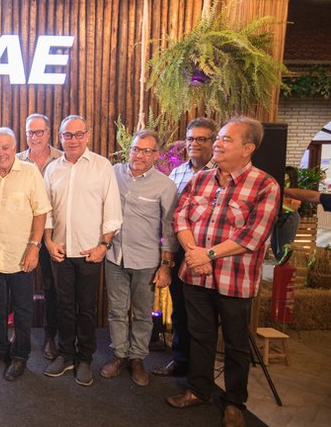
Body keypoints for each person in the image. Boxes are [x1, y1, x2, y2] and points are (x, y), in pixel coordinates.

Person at [168, 116, 280, 427]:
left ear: (248, 148)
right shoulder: (200, 180)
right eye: (218, 138)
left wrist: (208, 254)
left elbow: (253, 236)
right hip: (195, 275)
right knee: (199, 336)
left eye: (225, 139)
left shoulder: (265, 185)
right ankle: (198, 390)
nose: (217, 143)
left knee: (235, 343)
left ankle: (234, 402)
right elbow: (181, 217)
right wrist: (194, 252)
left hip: (235, 279)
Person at [43, 115, 122, 386]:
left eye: (78, 134)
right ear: (60, 137)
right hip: (60, 251)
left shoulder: (102, 166)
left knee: (87, 307)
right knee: (63, 306)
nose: (73, 139)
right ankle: (66, 354)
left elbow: (112, 211)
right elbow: (46, 210)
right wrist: (48, 241)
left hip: (91, 251)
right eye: (68, 135)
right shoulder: (52, 169)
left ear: (87, 135)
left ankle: (85, 358)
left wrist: (104, 246)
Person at [100, 130, 177, 387]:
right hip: (114, 256)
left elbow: (169, 229)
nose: (139, 155)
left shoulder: (165, 185)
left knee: (143, 313)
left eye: (146, 151)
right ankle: (120, 354)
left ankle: (137, 358)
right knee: (117, 310)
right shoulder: (113, 173)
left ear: (156, 154)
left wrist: (165, 266)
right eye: (135, 149)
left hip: (146, 261)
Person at [0, 128, 52, 381]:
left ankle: (20, 356)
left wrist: (35, 247)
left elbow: (41, 212)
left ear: (15, 148)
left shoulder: (30, 173)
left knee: (22, 311)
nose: (1, 153)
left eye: (5, 147)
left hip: (22, 256)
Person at [154, 117, 218, 378]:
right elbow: (169, 218)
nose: (194, 144)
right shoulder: (177, 173)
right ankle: (180, 360)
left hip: (213, 254)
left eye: (201, 139)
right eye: (190, 139)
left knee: (205, 315)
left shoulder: (223, 173)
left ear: (214, 142)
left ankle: (201, 372)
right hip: (181, 251)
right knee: (180, 308)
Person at [16, 113, 63, 360]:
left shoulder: (62, 159)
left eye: (39, 132)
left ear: (48, 133)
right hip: (23, 234)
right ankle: (19, 334)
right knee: (19, 285)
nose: (34, 137)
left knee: (51, 287)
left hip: (54, 235)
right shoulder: (15, 161)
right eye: (30, 133)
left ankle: (49, 336)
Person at [271, 166, 301, 260]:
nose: (284, 179)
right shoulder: (278, 189)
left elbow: (293, 207)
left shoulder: (295, 191)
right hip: (277, 217)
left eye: (286, 177)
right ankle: (281, 264)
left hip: (288, 217)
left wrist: (279, 203)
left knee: (284, 246)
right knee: (275, 246)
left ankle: (284, 265)